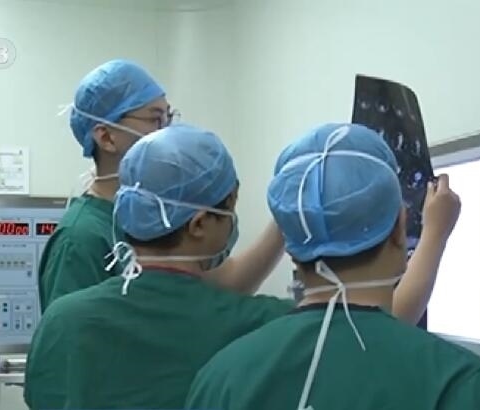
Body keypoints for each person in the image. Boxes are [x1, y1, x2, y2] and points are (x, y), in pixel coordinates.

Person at [25, 123, 458, 409]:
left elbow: (211, 288)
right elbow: (382, 322)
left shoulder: (65, 320)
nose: (234, 215)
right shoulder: (252, 326)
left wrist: (298, 216)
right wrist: (436, 233)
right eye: (230, 203)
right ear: (199, 224)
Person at [186, 123, 480, 410]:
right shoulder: (463, 386)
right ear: (399, 229)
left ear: (290, 243)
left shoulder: (221, 378)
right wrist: (436, 235)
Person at [26, 61, 287, 409]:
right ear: (106, 136)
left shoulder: (166, 234)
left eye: (170, 117)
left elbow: (209, 295)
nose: (168, 131)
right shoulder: (80, 239)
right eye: (155, 119)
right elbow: (77, 355)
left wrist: (284, 223)